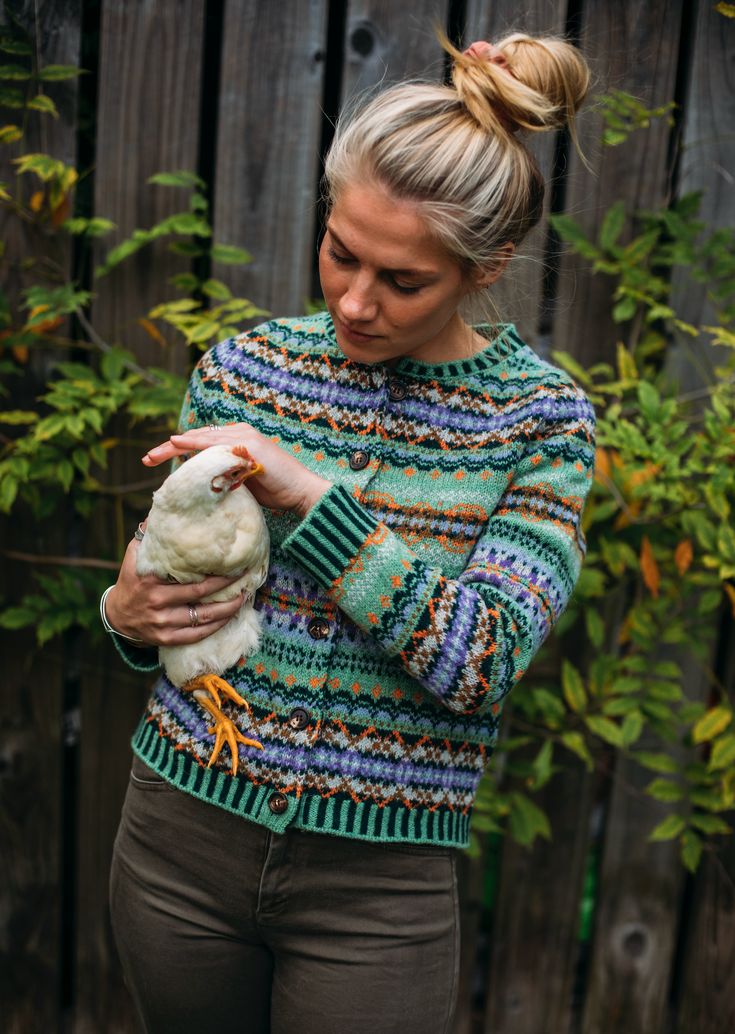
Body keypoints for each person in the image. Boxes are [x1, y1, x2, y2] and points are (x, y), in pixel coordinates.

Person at [103, 32, 595, 1034]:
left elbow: (480, 659)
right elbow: (170, 590)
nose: (354, 300)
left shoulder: (543, 421)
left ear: (486, 264)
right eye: (340, 251)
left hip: (378, 894)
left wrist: (312, 501)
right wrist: (125, 611)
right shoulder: (242, 372)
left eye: (403, 280)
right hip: (175, 839)